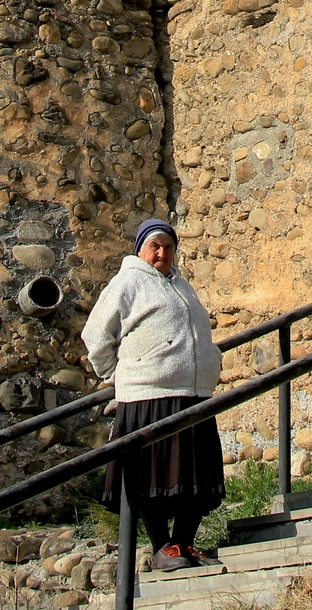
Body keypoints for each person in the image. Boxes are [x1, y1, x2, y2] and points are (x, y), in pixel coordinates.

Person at [82, 218, 226, 571]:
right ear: (141, 249)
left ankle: (183, 544)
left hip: (192, 394)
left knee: (194, 475)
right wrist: (119, 375)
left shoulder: (181, 285)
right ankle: (161, 546)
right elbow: (96, 335)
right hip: (148, 396)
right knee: (149, 477)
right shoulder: (128, 282)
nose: (162, 253)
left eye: (168, 247)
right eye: (155, 246)